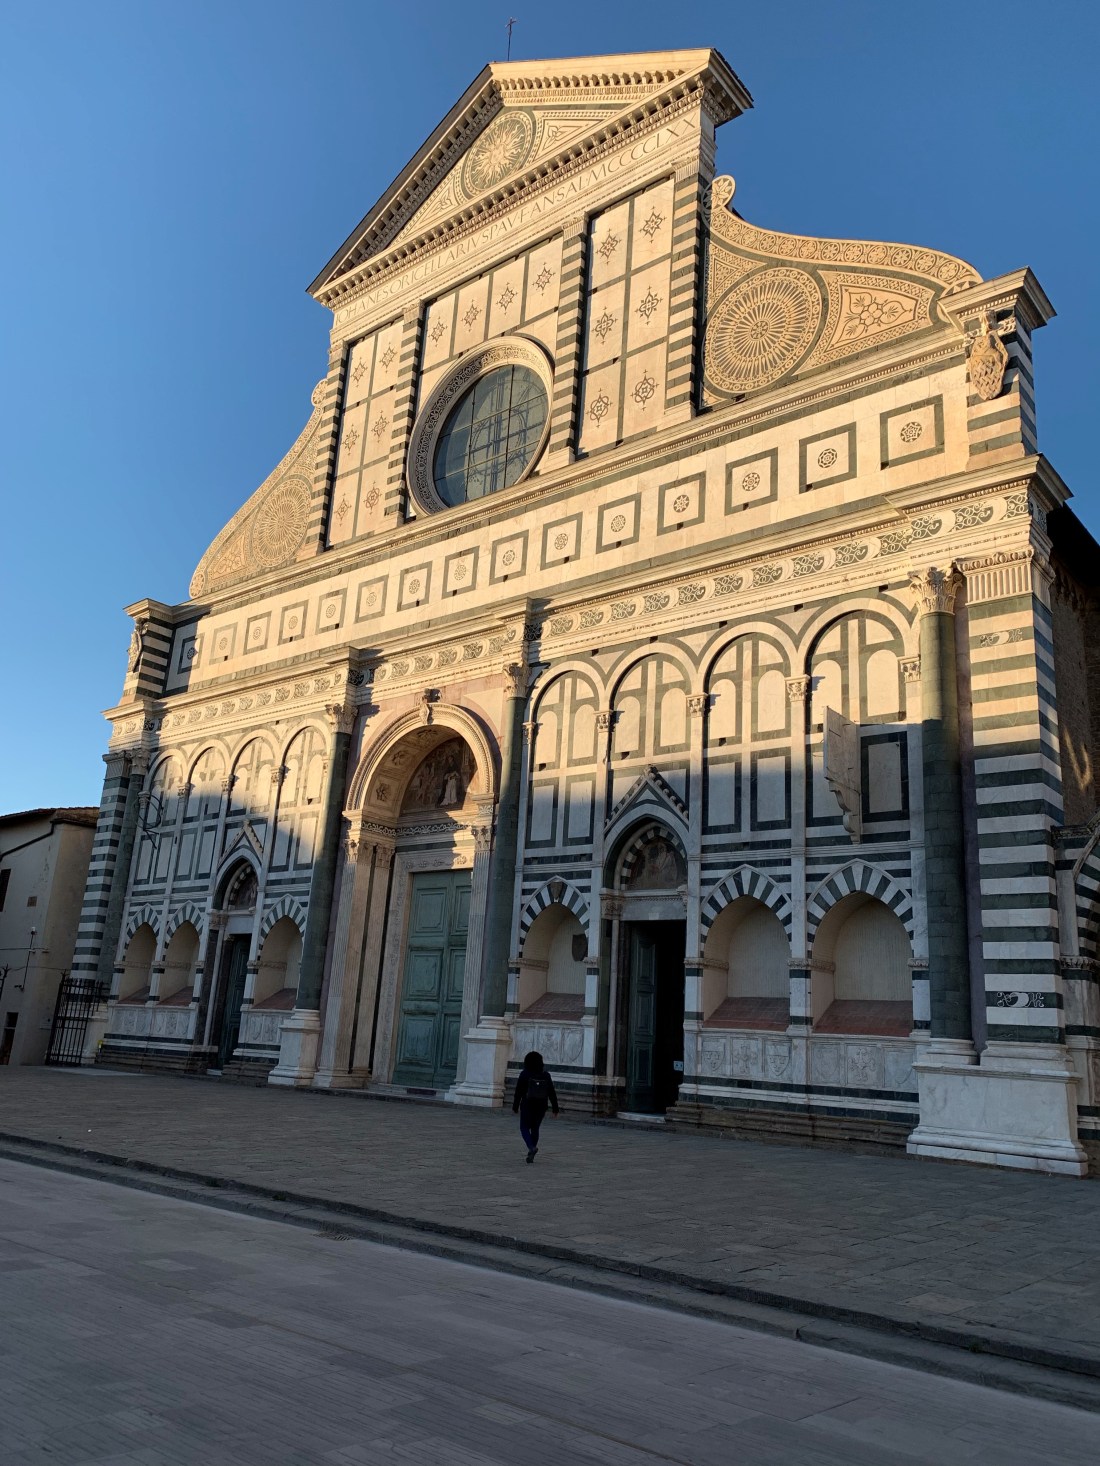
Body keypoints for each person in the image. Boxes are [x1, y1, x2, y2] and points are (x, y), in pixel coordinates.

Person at [512, 1050, 559, 1163]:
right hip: (541, 1105)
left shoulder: (524, 1074)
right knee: (535, 1128)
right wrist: (555, 1108)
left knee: (524, 1127)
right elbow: (552, 1092)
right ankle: (531, 1149)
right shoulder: (546, 1075)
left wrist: (515, 1105)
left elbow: (518, 1091)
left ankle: (531, 1147)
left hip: (528, 1104)